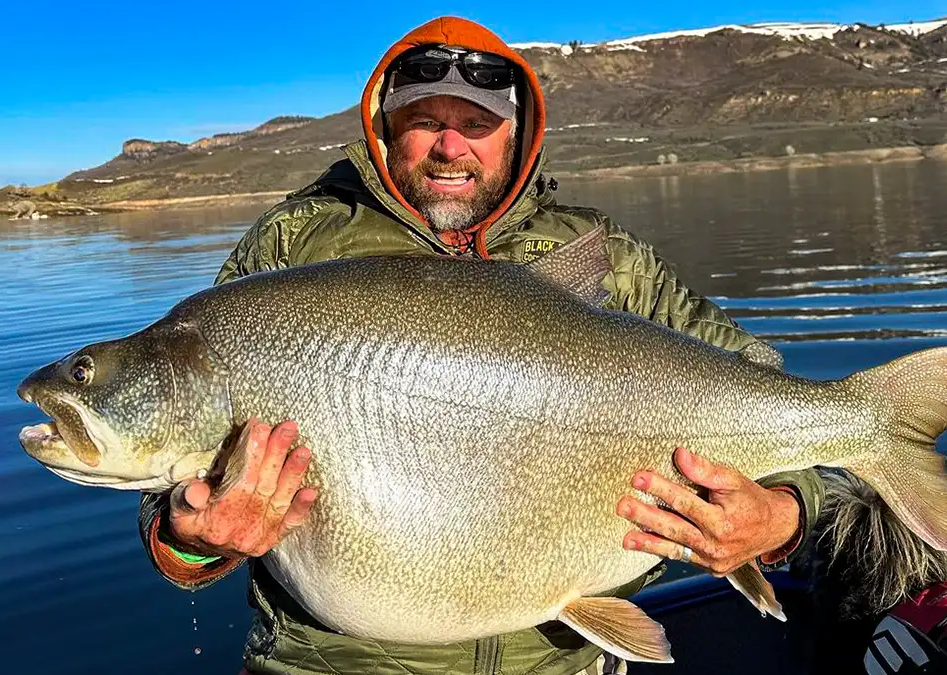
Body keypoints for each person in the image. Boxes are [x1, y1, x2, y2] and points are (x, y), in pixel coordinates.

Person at [136, 16, 826, 675]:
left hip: (567, 657)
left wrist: (780, 513)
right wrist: (193, 536)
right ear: (385, 131)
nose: (450, 147)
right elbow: (175, 493)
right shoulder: (289, 247)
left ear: (516, 135)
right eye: (426, 122)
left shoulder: (607, 257)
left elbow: (761, 390)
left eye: (476, 125)